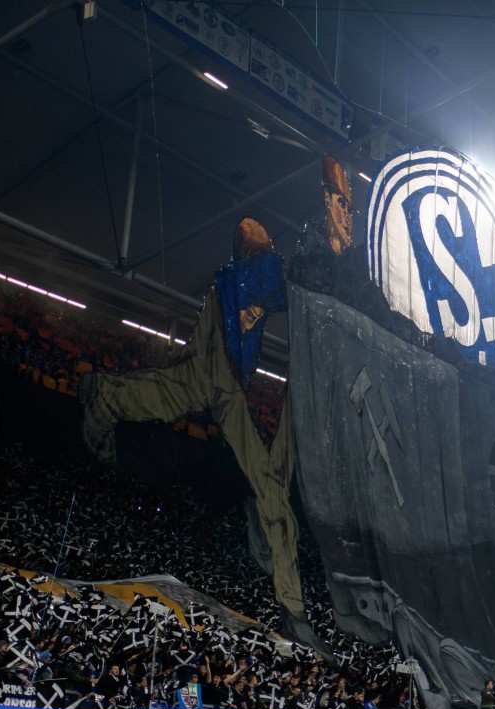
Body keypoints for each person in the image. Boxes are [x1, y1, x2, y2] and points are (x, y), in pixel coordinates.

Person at [80, 217, 327, 658]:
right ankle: (294, 610)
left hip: (209, 364)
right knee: (270, 488)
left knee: (170, 393)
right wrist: (312, 262)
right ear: (259, 249)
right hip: (225, 378)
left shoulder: (224, 282)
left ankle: (106, 394)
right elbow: (285, 287)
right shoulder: (261, 268)